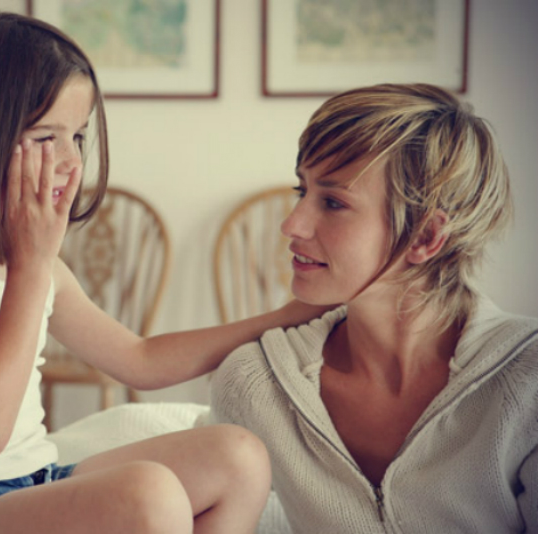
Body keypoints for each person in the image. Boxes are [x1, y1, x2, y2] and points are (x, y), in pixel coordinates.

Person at [0, 12, 326, 534]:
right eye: (44, 137)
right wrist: (31, 264)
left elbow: (140, 361)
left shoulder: (32, 267)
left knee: (238, 454)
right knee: (151, 495)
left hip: (27, 482)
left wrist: (288, 316)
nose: (71, 162)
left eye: (77, 136)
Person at [211, 83, 538, 533]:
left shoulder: (528, 382)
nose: (292, 224)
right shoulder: (253, 383)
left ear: (425, 236)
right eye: (300, 189)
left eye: (333, 202)